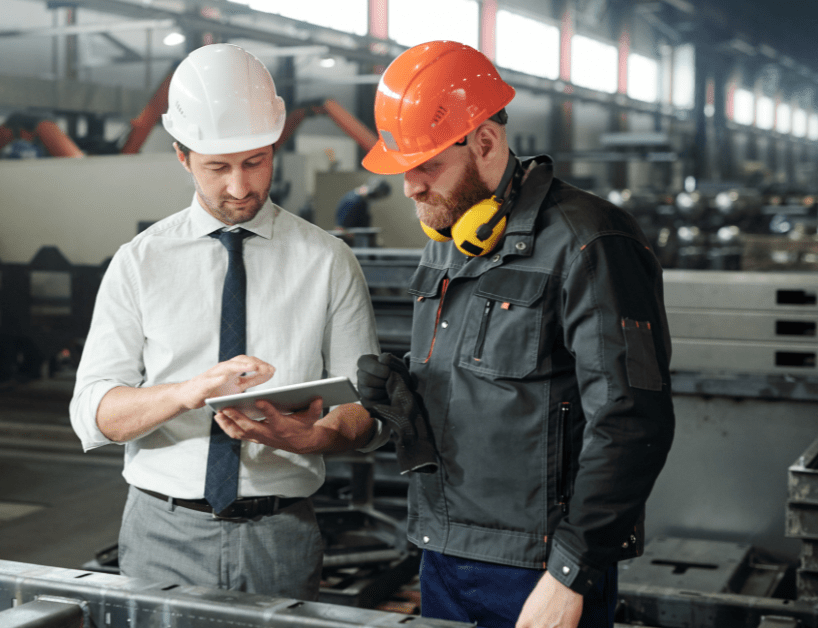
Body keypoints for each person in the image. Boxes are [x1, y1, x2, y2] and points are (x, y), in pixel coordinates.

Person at [354, 41, 675, 628]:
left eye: (427, 165)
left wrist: (571, 575)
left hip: (536, 569)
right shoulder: (450, 239)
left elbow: (632, 419)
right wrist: (405, 395)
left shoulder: (591, 242)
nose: (411, 188)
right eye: (404, 169)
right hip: (441, 550)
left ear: (485, 141)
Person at [69, 43, 383, 601]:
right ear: (182, 156)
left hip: (281, 534)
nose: (240, 188)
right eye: (218, 167)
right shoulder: (140, 262)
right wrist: (189, 392)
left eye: (255, 162)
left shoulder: (328, 260)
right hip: (161, 531)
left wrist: (312, 435)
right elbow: (96, 414)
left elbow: (365, 412)